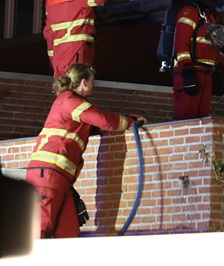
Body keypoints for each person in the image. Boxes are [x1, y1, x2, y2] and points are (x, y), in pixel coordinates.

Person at [25, 64, 144, 239]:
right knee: (37, 232)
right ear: (83, 82)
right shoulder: (71, 101)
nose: (93, 84)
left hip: (59, 179)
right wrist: (130, 121)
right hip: (48, 176)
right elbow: (103, 120)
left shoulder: (71, 104)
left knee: (69, 234)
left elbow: (92, 126)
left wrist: (124, 121)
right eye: (92, 80)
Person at [43, 0, 120, 78]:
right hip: (77, 55)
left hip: (58, 59)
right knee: (79, 88)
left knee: (63, 89)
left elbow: (49, 33)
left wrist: (53, 59)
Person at [172, 0, 224, 120]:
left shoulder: (212, 14)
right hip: (190, 73)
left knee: (201, 123)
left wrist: (218, 71)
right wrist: (187, 71)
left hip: (207, 73)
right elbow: (181, 45)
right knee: (185, 122)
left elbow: (215, 46)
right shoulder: (190, 11)